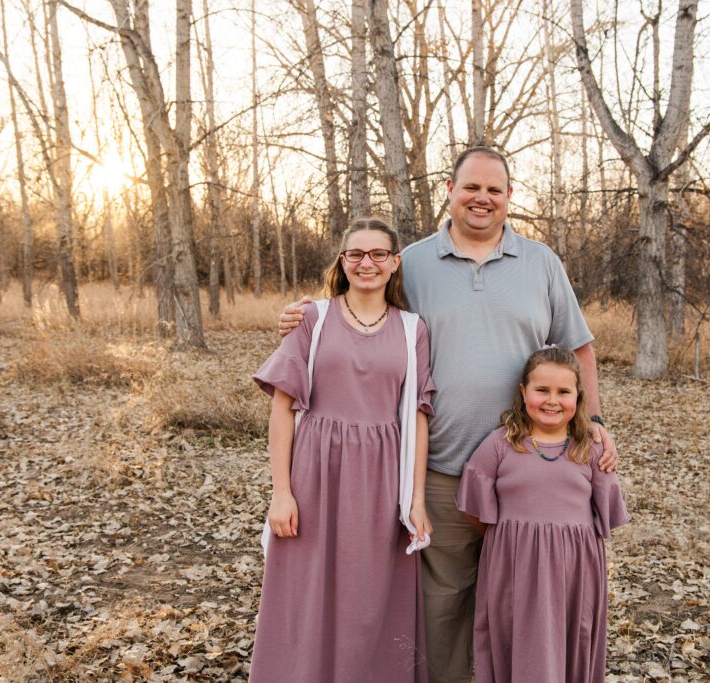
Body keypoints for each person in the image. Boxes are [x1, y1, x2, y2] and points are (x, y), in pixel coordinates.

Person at [278, 146, 618, 683]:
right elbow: (359, 303)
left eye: (494, 190)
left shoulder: (541, 263)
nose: (482, 199)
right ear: (450, 191)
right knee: (442, 609)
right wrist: (305, 314)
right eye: (471, 188)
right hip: (439, 470)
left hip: (532, 475)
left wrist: (593, 425)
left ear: (508, 198)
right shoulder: (412, 261)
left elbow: (578, 351)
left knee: (527, 607)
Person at [250, 218, 435, 683]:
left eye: (378, 254)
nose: (366, 263)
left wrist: (415, 499)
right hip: (315, 473)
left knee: (372, 595)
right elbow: (282, 409)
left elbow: (416, 414)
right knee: (305, 591)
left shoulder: (413, 330)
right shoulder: (312, 318)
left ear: (395, 263)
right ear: (342, 261)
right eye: (355, 254)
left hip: (382, 478)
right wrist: (281, 492)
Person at [455, 346, 629, 682]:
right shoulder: (500, 445)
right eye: (542, 390)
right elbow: (475, 511)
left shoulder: (590, 450)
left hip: (574, 573)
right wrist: (512, 540)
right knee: (514, 638)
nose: (552, 400)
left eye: (563, 392)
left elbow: (606, 516)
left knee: (569, 641)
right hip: (513, 568)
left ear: (579, 398)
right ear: (523, 392)